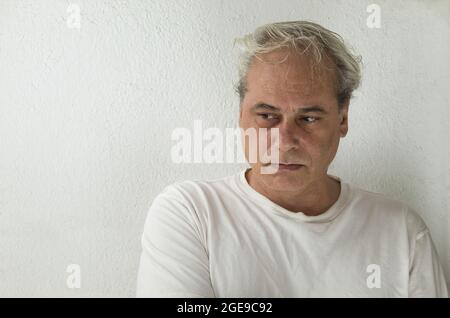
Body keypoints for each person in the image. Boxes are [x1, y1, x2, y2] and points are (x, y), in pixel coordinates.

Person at [136, 21, 448, 297]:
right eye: (267, 115)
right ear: (240, 115)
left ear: (343, 118)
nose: (284, 142)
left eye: (309, 118)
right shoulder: (191, 214)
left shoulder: (402, 232)